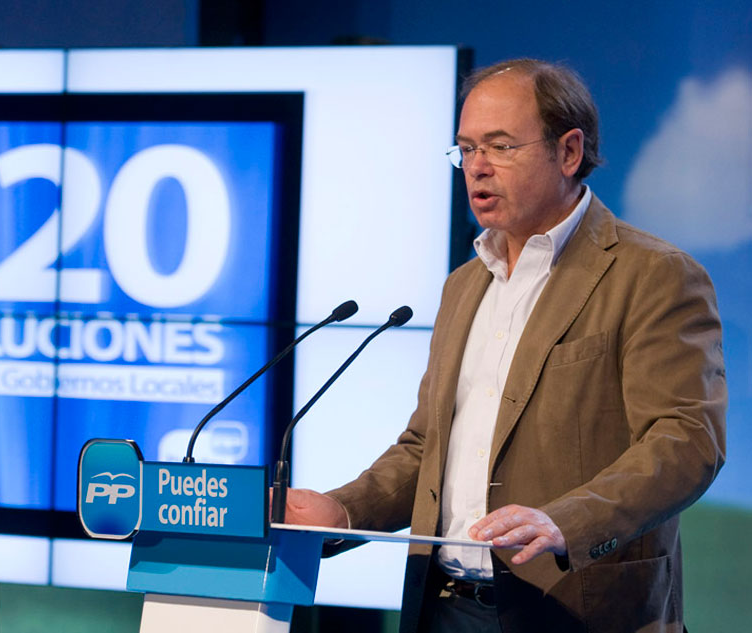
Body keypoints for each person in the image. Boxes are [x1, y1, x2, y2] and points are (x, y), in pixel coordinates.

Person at [283, 58, 727, 633]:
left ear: (569, 152)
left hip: (579, 610)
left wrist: (568, 520)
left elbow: (687, 439)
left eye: (499, 146)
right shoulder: (465, 283)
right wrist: (345, 511)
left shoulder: (653, 276)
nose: (477, 169)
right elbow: (427, 447)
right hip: (443, 607)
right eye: (466, 149)